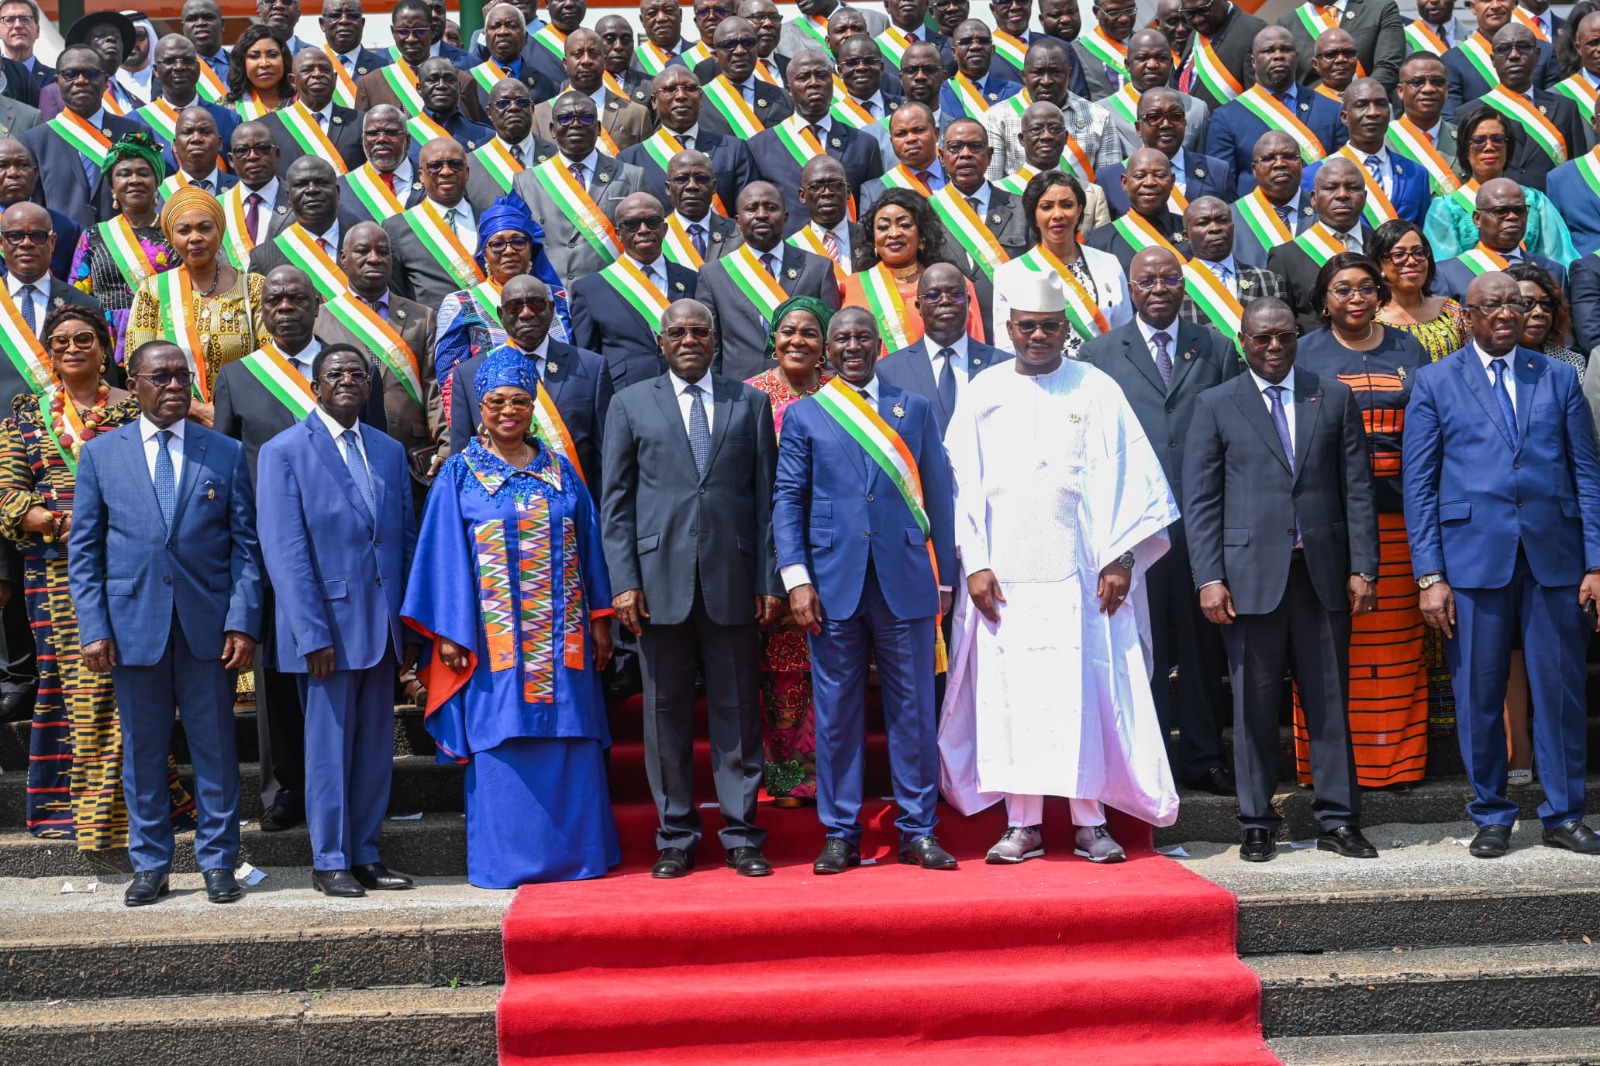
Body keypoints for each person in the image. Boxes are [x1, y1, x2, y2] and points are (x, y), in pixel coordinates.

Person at [939, 268, 1180, 864]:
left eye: (1049, 326)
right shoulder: (983, 391)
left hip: (1082, 577)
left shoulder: (1095, 388)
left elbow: (1132, 476)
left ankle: (1089, 820)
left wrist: (1122, 559)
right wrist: (975, 563)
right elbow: (961, 487)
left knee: (1084, 692)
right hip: (1004, 579)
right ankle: (1022, 824)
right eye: (1027, 327)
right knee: (1013, 696)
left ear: (1064, 327)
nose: (1038, 336)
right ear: (1010, 327)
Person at [402, 349, 617, 887]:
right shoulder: (460, 475)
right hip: (493, 643)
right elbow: (443, 555)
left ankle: (578, 856)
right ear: (480, 408)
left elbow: (588, 545)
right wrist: (450, 632)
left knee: (568, 735)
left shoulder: (561, 471)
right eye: (497, 401)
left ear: (532, 407)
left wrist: (598, 621)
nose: (508, 411)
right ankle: (508, 860)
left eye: (519, 401)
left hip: (563, 638)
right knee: (502, 738)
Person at [1403, 270, 1600, 857]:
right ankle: (1491, 812)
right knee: (1478, 694)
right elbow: (1420, 486)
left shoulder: (1559, 377)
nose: (1507, 314)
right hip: (1471, 563)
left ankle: (1564, 814)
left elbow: (1586, 475)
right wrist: (1430, 575)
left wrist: (1596, 561)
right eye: (1492, 305)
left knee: (1561, 691)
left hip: (1555, 559)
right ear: (1467, 315)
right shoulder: (1435, 381)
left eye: (1515, 304)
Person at [1184, 297, 1380, 863]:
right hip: (1248, 582)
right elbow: (1202, 502)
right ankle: (1256, 821)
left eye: (1284, 337)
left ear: (1299, 336)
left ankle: (1339, 820)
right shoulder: (1216, 403)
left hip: (1322, 576)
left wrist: (1363, 566)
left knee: (1329, 702)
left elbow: (1357, 489)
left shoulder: (1333, 394)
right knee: (1252, 705)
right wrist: (1209, 577)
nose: (1273, 347)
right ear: (1243, 341)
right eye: (1261, 338)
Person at [67, 339, 263, 905]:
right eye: (162, 377)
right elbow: (85, 552)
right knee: (144, 750)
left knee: (217, 751)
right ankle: (150, 863)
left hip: (208, 629)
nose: (175, 385)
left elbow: (245, 549)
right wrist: (95, 627)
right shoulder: (102, 455)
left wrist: (242, 622)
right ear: (136, 384)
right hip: (132, 628)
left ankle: (219, 862)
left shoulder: (222, 452)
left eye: (183, 376)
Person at [600, 298, 782, 880]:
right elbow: (616, 505)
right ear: (660, 342)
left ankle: (742, 834)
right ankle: (675, 835)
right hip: (657, 586)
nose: (688, 340)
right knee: (664, 713)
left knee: (736, 713)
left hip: (733, 579)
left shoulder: (749, 403)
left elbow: (766, 501)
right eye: (676, 332)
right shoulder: (629, 403)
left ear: (714, 340)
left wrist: (767, 581)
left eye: (698, 331)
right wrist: (624, 583)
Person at [772, 305, 957, 872]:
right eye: (842, 339)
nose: (852, 347)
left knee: (914, 713)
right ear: (827, 349)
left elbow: (939, 498)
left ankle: (918, 829)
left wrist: (943, 577)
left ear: (880, 345)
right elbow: (788, 500)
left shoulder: (916, 409)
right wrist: (796, 579)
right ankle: (840, 832)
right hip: (831, 586)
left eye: (862, 338)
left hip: (905, 581)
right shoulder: (806, 415)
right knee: (836, 714)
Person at [0, 308, 193, 850]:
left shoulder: (139, 410)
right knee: (83, 686)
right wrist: (66, 524)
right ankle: (91, 812)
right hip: (58, 575)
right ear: (48, 350)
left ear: (105, 347)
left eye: (84, 338)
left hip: (137, 568)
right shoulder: (25, 419)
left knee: (135, 684)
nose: (71, 347)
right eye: (59, 340)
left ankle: (149, 806)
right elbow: (7, 497)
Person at [256, 344, 421, 896]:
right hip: (324, 630)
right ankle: (329, 859)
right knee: (327, 750)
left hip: (383, 628)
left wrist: (410, 626)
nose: (347, 380)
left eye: (357, 373)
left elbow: (402, 541)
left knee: (375, 749)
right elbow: (285, 553)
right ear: (315, 386)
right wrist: (310, 634)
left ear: (369, 386)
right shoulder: (284, 452)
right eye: (335, 373)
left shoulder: (389, 451)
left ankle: (367, 851)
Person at [1081, 247, 1239, 796]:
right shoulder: (1100, 353)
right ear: (1129, 286)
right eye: (1146, 279)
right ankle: (1141, 759)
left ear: (1184, 285)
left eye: (1169, 278)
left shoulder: (1216, 348)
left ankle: (1203, 755)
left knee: (1200, 648)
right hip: (1131, 529)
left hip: (1199, 524)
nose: (1158, 288)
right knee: (1138, 645)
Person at [1288, 253, 1436, 790]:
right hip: (1329, 522)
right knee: (1328, 643)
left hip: (1399, 519)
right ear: (1324, 298)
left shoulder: (1408, 348)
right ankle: (1329, 767)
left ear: (1380, 295)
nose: (1356, 298)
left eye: (1367, 289)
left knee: (1396, 644)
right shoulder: (1304, 354)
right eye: (1343, 289)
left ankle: (1394, 766)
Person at [745, 296, 833, 805]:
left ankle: (834, 782)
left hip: (832, 551)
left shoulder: (842, 395)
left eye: (809, 332)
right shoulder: (751, 396)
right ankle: (787, 785)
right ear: (773, 338)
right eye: (788, 331)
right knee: (780, 679)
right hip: (773, 557)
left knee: (832, 673)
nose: (798, 340)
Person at [315, 223, 442, 509]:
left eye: (382, 252)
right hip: (347, 450)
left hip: (413, 455)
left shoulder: (422, 317)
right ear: (343, 258)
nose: (374, 258)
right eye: (363, 251)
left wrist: (445, 443)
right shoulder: (321, 320)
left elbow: (434, 389)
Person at [449, 274, 611, 495]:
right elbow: (463, 457)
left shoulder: (590, 367)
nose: (526, 314)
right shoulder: (469, 374)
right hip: (501, 513)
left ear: (551, 309)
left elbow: (607, 455)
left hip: (576, 509)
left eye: (536, 304)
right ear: (500, 314)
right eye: (515, 307)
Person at [127, 186, 269, 424]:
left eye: (205, 228)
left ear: (220, 232)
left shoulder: (253, 287)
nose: (195, 237)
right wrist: (195, 409)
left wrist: (226, 413)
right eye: (184, 230)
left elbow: (269, 360)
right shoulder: (153, 291)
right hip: (175, 421)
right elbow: (138, 366)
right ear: (172, 237)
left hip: (244, 420)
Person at [698, 181, 841, 381]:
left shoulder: (818, 268)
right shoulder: (713, 274)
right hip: (740, 393)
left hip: (805, 391)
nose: (762, 214)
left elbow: (832, 339)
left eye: (771, 208)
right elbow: (711, 348)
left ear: (785, 217)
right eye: (751, 208)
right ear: (737, 221)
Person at [511, 91, 647, 289]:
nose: (575, 124)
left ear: (599, 128)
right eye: (565, 118)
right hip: (549, 299)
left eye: (585, 117)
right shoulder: (526, 182)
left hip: (612, 292)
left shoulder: (631, 177)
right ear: (552, 129)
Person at [991, 170, 1130, 358]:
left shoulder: (1109, 264)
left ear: (1079, 210)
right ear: (1033, 215)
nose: (1058, 214)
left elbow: (1126, 334)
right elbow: (1007, 349)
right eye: (1047, 207)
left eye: (1067, 205)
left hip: (1106, 376)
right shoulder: (1010, 274)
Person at [571, 192, 699, 391]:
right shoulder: (590, 290)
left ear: (664, 228)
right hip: (625, 397)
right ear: (619, 234)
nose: (643, 230)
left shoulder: (693, 280)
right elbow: (589, 362)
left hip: (689, 388)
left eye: (652, 222)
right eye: (632, 224)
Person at [68, 132, 173, 367]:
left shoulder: (176, 233)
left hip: (165, 339)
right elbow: (77, 295)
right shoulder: (93, 236)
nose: (134, 180)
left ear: (156, 181)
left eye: (143, 173)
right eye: (124, 174)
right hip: (107, 343)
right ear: (112, 186)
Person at [1426, 108, 1577, 267]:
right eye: (1479, 140)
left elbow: (1558, 259)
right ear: (1464, 149)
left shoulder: (1535, 200)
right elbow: (1445, 271)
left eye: (1497, 139)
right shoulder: (1446, 208)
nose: (1489, 146)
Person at [841, 188, 982, 356]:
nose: (893, 233)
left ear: (922, 234)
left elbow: (976, 348)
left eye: (905, 225)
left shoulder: (955, 285)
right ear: (873, 239)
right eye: (883, 227)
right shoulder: (850, 287)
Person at [19, 44, 141, 231]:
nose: (81, 80)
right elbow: (34, 204)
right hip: (62, 249)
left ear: (106, 81)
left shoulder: (135, 133)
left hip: (124, 247)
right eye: (71, 74)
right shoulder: (34, 141)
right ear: (57, 82)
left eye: (91, 73)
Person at [1204, 26, 1348, 183]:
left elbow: (1344, 170)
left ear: (1296, 57)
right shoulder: (1227, 118)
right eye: (1268, 51)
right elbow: (1223, 184)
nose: (1278, 56)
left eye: (1286, 50)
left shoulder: (1332, 109)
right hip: (1258, 207)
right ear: (1253, 61)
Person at [878, 262, 1007, 436]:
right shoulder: (888, 372)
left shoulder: (1003, 365)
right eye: (933, 295)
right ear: (919, 307)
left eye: (955, 294)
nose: (945, 301)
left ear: (968, 302)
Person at [1267, 158, 1375, 334]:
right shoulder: (1286, 258)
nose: (1342, 195)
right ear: (1313, 199)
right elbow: (1280, 328)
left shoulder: (1383, 246)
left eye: (1352, 188)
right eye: (1331, 188)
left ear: (1365, 197)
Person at [1099, 86, 1234, 214]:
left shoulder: (1217, 171)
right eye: (1155, 117)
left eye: (1175, 116)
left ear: (1185, 123)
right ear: (1139, 128)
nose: (1165, 124)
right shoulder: (1110, 177)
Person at [1433, 178, 1569, 301]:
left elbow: (1563, 326)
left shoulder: (1553, 271)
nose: (1512, 217)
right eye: (1500, 211)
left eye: (1520, 210)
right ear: (1477, 219)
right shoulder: (1446, 274)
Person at [1, 202, 104, 362]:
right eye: (15, 236)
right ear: (1, 243)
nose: (26, 243)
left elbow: (102, 376)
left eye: (37, 236)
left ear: (53, 242)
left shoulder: (86, 306)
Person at [1179, 195, 1289, 328]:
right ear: (1186, 237)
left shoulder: (1268, 280)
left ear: (1233, 227)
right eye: (1203, 223)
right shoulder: (1178, 284)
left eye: (1222, 220)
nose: (1215, 228)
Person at [258, 48, 366, 178]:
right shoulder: (267, 127)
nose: (317, 74)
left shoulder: (361, 122)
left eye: (325, 69)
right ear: (293, 81)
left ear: (335, 78)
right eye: (307, 70)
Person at [1107, 30, 1211, 155]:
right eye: (1142, 58)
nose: (1152, 64)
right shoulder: (1103, 112)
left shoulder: (1196, 109)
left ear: (1171, 63)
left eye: (1161, 58)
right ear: (1128, 65)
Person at [1278, 0, 1407, 94]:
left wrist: (1356, 98)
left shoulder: (1380, 8)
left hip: (1373, 111)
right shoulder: (1287, 23)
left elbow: (1389, 66)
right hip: (1316, 116)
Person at [1232, 132, 1318, 266]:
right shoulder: (1232, 217)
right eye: (1268, 158)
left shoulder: (1322, 210)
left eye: (1289, 156)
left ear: (1301, 164)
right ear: (1254, 170)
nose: (1279, 164)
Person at [1175, 0, 1268, 112]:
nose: (1197, 19)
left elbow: (1262, 99)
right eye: (1189, 13)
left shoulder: (1254, 32)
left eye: (1204, 10)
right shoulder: (1195, 36)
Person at [225, 25, 293, 121]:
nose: (264, 64)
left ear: (284, 59)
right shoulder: (227, 108)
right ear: (242, 62)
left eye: (272, 55)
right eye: (254, 56)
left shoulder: (301, 102)